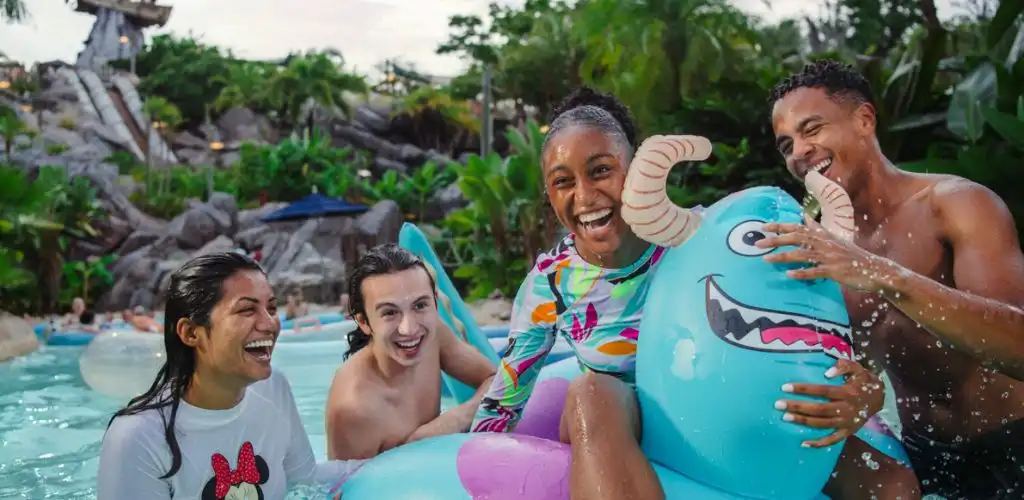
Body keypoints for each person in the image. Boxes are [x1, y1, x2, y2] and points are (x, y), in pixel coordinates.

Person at [470, 86, 919, 499]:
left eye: (602, 171)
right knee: (591, 392)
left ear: (635, 172)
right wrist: (457, 465)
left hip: (733, 411)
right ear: (550, 194)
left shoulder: (704, 238)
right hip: (631, 424)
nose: (585, 195)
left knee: (894, 486)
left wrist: (868, 392)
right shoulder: (551, 282)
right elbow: (507, 394)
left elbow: (810, 321)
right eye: (563, 181)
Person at [763, 59, 1024, 498]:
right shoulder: (817, 246)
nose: (799, 152)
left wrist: (879, 274)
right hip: (923, 456)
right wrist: (860, 399)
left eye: (813, 130)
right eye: (786, 144)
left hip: (1015, 440)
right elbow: (846, 365)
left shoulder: (954, 205)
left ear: (864, 120)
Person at [97, 252, 364, 499]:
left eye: (271, 308)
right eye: (247, 310)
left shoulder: (273, 389)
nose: (270, 323)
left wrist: (396, 460)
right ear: (191, 333)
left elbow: (306, 481)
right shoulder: (138, 439)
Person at [325, 244, 496, 460]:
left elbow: (497, 381)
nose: (410, 329)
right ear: (363, 322)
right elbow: (343, 490)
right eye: (389, 312)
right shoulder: (355, 410)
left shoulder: (435, 336)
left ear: (435, 301)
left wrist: (451, 421)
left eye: (420, 306)